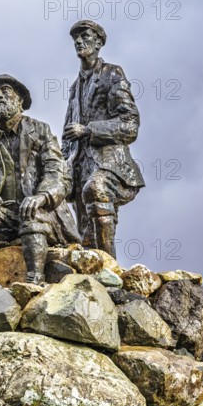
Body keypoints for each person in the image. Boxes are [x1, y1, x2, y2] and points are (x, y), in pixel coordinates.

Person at [0, 74, 80, 285]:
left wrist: (42, 196)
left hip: (43, 212)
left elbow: (58, 173)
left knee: (31, 213)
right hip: (4, 217)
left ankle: (35, 277)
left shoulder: (40, 130)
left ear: (20, 100)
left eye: (5, 90)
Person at [62, 20, 145, 258]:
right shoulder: (74, 87)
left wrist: (89, 130)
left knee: (96, 189)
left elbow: (130, 124)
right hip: (79, 166)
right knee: (84, 233)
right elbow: (67, 133)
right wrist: (60, 161)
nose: (78, 41)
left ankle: (110, 266)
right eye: (75, 38)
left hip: (110, 164)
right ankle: (89, 275)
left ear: (98, 42)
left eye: (85, 36)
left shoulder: (112, 74)